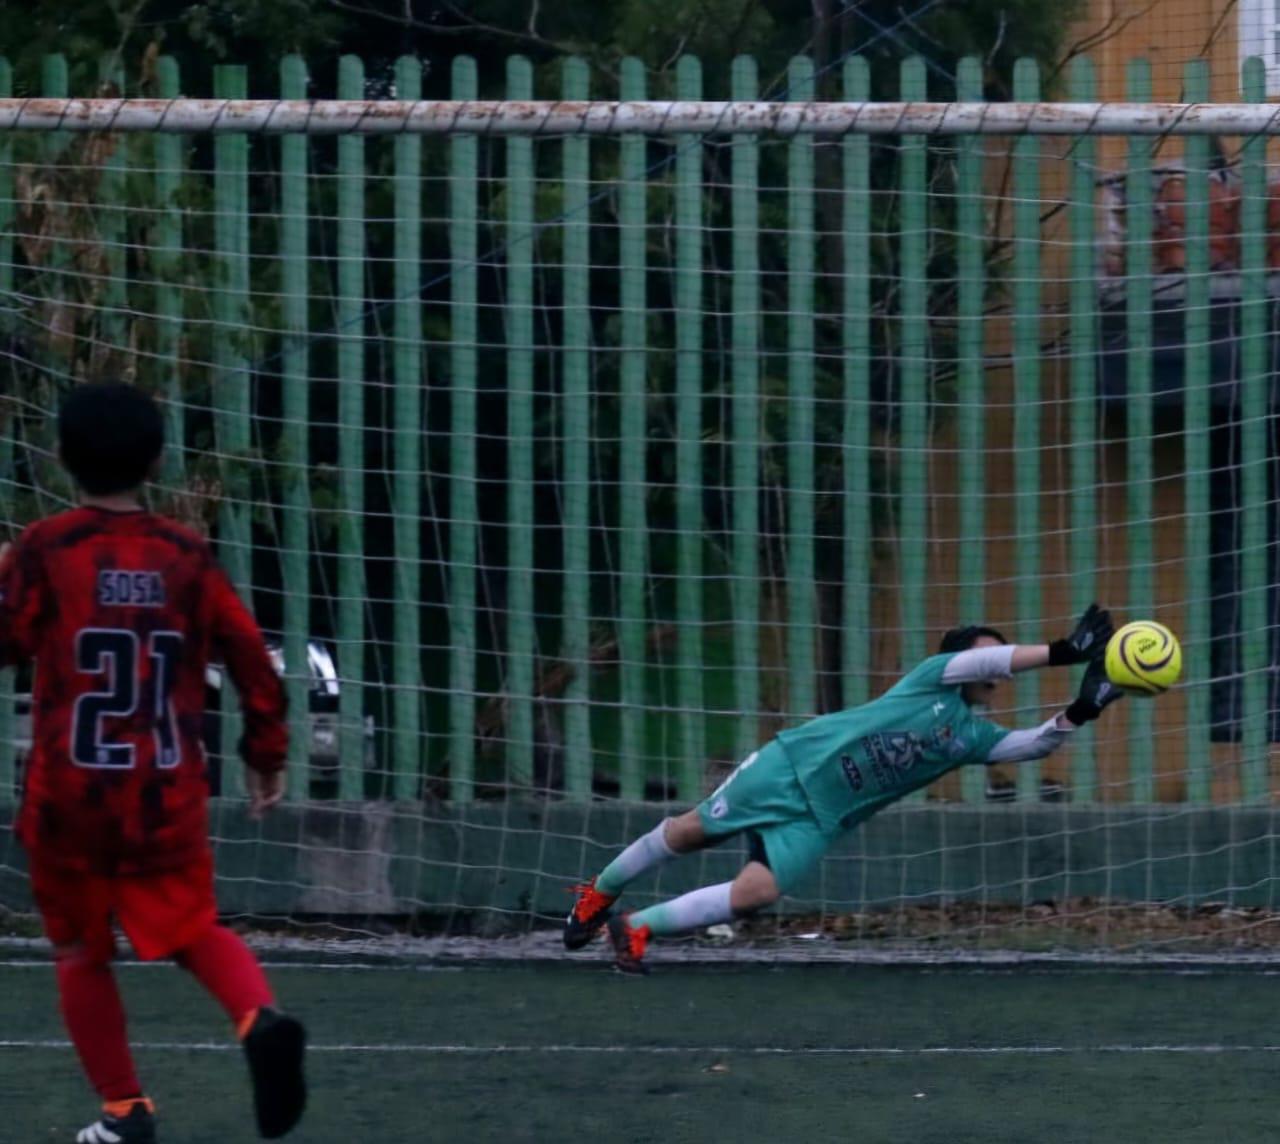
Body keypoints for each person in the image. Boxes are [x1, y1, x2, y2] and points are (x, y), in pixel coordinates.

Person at [5, 383, 306, 1142]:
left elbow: (6, 644)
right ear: (158, 459)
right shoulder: (186, 555)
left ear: (63, 458)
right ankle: (256, 1017)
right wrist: (265, 752)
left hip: (68, 797)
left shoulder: (45, 548)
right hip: (164, 793)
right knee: (195, 930)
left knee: (79, 951)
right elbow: (253, 662)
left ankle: (124, 1110)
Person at [565, 606, 1122, 974]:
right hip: (790, 767)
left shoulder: (970, 735)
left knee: (756, 893)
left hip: (820, 819)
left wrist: (1083, 707)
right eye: (993, 656)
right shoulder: (933, 675)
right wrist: (1064, 650)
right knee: (690, 833)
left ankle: (635, 929)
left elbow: (1030, 746)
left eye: (1003, 662)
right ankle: (601, 893)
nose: (1000, 667)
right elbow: (985, 656)